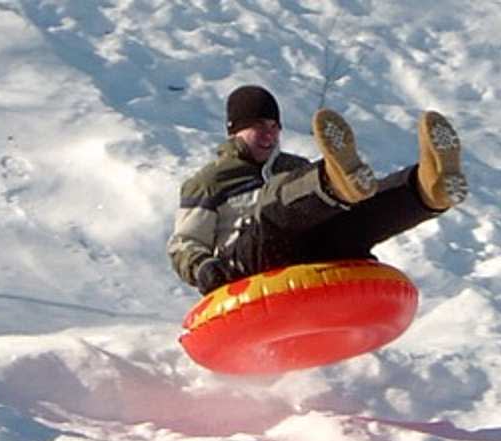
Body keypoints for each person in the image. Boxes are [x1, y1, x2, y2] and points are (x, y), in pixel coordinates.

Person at [168, 85, 468, 294]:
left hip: (304, 260)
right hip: (243, 269)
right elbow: (184, 243)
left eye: (275, 126)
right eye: (260, 125)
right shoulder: (210, 181)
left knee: (352, 218)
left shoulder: (292, 166)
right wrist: (203, 267)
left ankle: (426, 189)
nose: (270, 134)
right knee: (272, 208)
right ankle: (333, 182)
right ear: (235, 129)